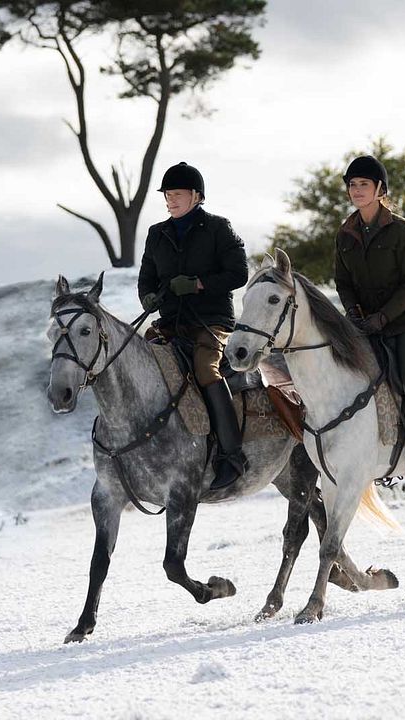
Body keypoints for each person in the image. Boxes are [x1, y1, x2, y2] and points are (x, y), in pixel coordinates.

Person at [138, 161, 249, 490]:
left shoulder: (218, 228)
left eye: (177, 194)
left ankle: (232, 455)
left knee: (204, 367)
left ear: (196, 196)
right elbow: (146, 278)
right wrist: (149, 298)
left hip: (212, 321)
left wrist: (200, 284)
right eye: (167, 195)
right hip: (171, 322)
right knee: (141, 362)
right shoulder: (156, 234)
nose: (170, 200)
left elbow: (238, 274)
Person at [333, 155, 405, 478]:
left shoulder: (402, 231)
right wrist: (353, 312)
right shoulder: (345, 233)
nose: (357, 190)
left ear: (380, 189)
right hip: (365, 321)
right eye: (352, 185)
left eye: (364, 184)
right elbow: (342, 282)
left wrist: (383, 317)